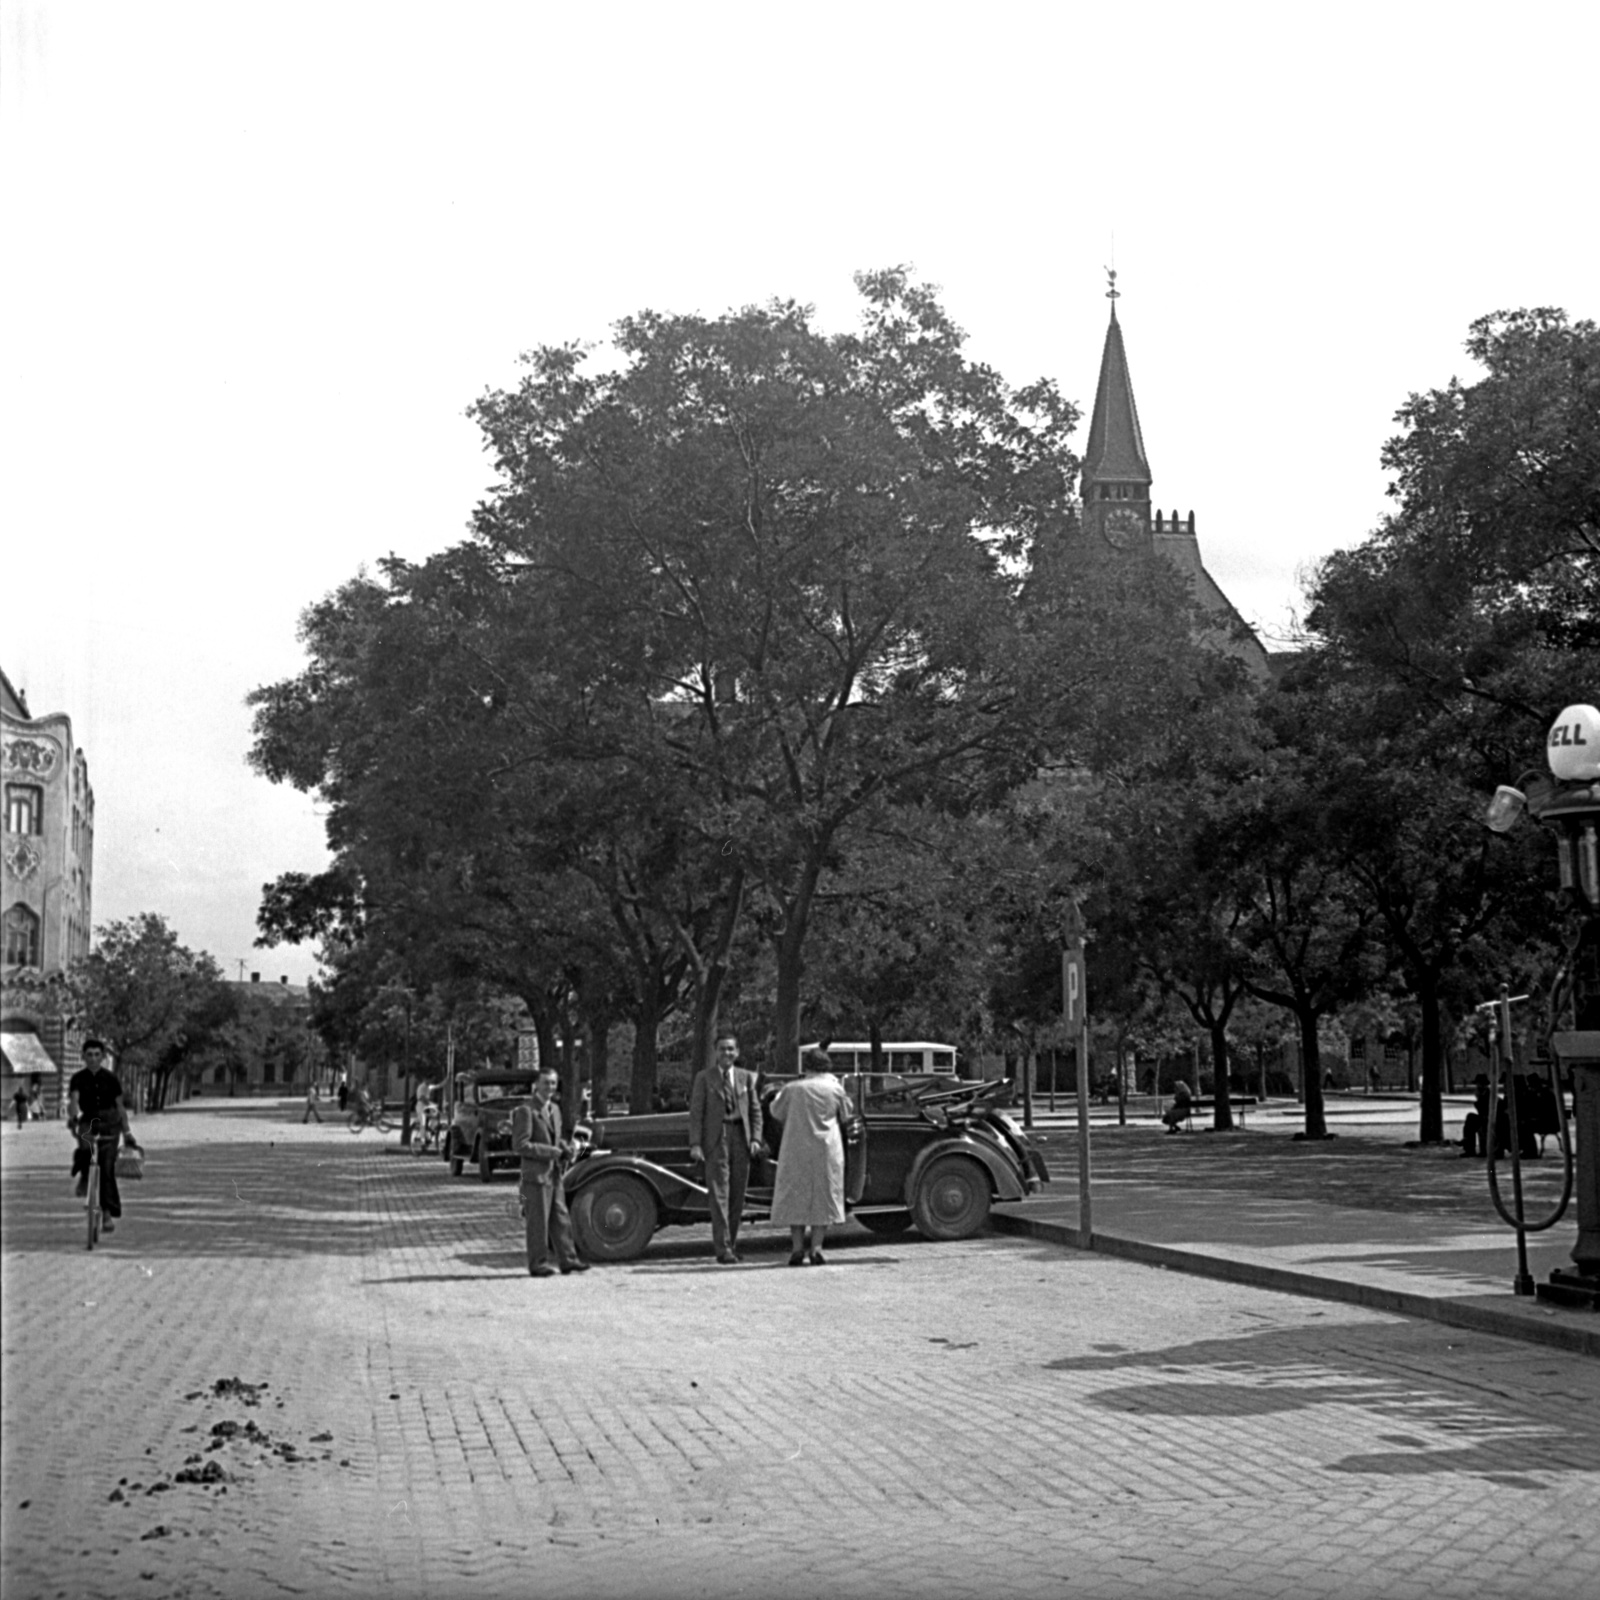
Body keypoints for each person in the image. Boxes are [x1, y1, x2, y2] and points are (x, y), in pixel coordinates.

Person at [769, 1048, 851, 1265]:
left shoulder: (792, 1089)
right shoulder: (835, 1089)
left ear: (807, 1066)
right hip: (826, 1149)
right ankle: (816, 1247)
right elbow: (847, 1114)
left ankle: (797, 1248)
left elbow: (775, 1111)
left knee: (795, 1196)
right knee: (823, 1196)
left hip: (796, 1148)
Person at [688, 1036, 765, 1264]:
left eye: (731, 1049)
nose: (727, 1053)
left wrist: (756, 1140)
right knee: (719, 1194)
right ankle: (723, 1249)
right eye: (722, 1049)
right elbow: (696, 1113)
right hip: (716, 1139)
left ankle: (731, 1243)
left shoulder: (746, 1078)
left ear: (738, 1052)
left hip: (741, 1138)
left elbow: (755, 1111)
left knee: (737, 1195)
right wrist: (695, 1144)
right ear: (715, 1052)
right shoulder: (704, 1078)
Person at [511, 1067, 588, 1278]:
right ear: (536, 1085)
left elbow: (555, 1138)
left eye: (553, 1083)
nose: (550, 1088)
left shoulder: (554, 1109)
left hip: (553, 1174)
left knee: (561, 1218)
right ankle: (538, 1264)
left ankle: (568, 1260)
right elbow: (520, 1145)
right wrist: (552, 1152)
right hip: (534, 1177)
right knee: (538, 1221)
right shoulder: (526, 1111)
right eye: (546, 1083)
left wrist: (565, 1148)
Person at [67, 1039, 138, 1234]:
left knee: (107, 1169)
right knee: (83, 1148)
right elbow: (73, 1101)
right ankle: (83, 1175)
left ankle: (107, 1214)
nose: (93, 1059)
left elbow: (120, 1107)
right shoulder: (78, 1078)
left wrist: (127, 1132)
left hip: (110, 1123)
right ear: (83, 1056)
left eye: (97, 1055)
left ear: (103, 1057)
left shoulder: (111, 1078)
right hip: (89, 1120)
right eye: (89, 1055)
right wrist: (73, 1117)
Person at [1461, 1073, 1491, 1158]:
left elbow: (1484, 1110)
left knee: (1471, 1120)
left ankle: (1468, 1145)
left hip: (1488, 1119)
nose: (1477, 1086)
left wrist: (1478, 1099)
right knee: (1470, 1119)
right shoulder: (1482, 1094)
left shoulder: (1487, 1094)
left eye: (1479, 1084)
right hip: (1484, 1118)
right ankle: (1468, 1146)